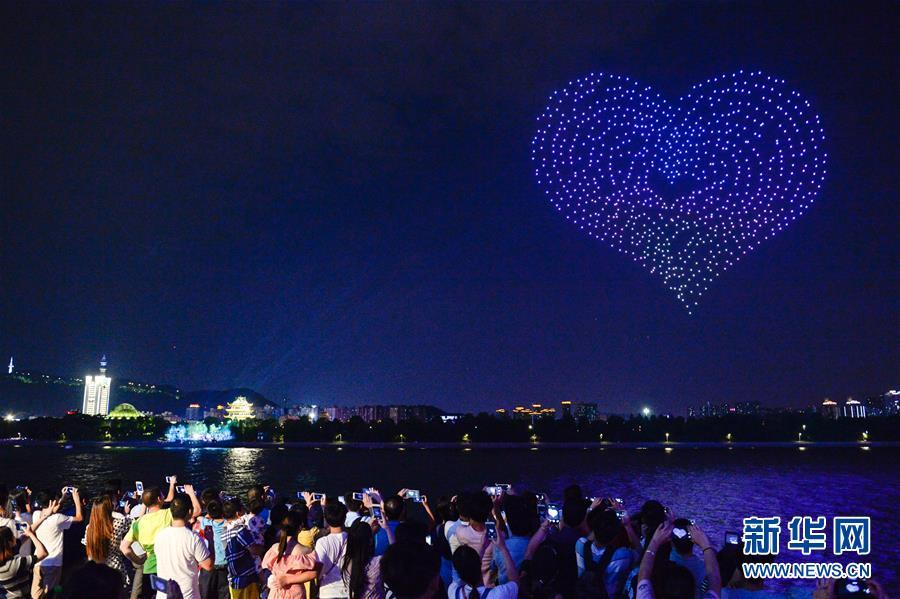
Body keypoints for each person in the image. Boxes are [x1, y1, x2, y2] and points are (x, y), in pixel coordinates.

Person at [121, 484, 201, 599]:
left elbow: (124, 547)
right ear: (159, 499)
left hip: (149, 571)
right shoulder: (168, 514)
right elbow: (196, 511)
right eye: (162, 495)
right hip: (169, 569)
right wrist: (191, 493)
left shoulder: (138, 522)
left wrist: (139, 560)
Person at [637, 522, 721, 599]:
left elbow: (643, 573)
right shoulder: (701, 568)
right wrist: (705, 545)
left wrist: (654, 542)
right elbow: (715, 580)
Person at [154, 495, 214, 599]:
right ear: (190, 512)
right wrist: (211, 540)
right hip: (187, 595)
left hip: (163, 593)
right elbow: (208, 565)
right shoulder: (193, 538)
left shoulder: (159, 535)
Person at [574, 506, 639, 598]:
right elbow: (640, 553)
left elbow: (589, 536)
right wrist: (627, 526)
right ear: (616, 535)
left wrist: (599, 518)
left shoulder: (580, 544)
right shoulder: (623, 555)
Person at [32, 488, 84, 599]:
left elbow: (51, 512)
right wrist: (76, 500)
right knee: (54, 591)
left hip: (38, 561)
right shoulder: (58, 519)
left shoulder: (36, 515)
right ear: (52, 502)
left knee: (36, 594)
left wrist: (63, 499)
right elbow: (79, 518)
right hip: (54, 563)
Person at [261, 511, 319, 599]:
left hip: (276, 592)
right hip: (296, 594)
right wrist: (288, 580)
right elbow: (314, 573)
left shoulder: (274, 549)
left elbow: (265, 570)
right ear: (300, 527)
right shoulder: (305, 551)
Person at [481, 494, 534, 585]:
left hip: (504, 587)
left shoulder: (500, 546)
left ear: (508, 523)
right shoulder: (537, 544)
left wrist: (496, 509)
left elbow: (492, 566)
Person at [448, 534, 519, 599]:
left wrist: (482, 547)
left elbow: (462, 569)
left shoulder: (453, 592)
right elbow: (515, 583)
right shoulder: (500, 594)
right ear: (480, 564)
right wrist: (503, 548)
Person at [86, 495, 133, 588]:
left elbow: (89, 552)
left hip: (96, 570)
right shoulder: (118, 523)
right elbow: (135, 524)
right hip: (114, 567)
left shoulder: (89, 528)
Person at [223, 498, 264, 599]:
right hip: (246, 578)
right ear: (238, 513)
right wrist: (263, 548)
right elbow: (254, 550)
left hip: (233, 579)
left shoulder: (224, 531)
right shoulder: (240, 530)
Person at [341, 518, 389, 599]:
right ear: (370, 540)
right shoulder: (378, 562)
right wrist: (387, 528)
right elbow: (395, 552)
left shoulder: (345, 562)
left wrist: (367, 531)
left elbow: (356, 540)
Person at [0, 523, 49, 598]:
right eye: (13, 535)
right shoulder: (14, 564)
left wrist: (42, 519)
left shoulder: (6, 556)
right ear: (9, 543)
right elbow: (43, 553)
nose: (15, 536)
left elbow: (24, 537)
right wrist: (31, 535)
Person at [314, 501, 350, 599]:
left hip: (328, 591)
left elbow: (318, 569)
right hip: (348, 592)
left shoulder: (323, 542)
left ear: (326, 520)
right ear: (344, 518)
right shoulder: (354, 540)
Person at [199, 499, 230, 599]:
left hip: (211, 563)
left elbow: (200, 518)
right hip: (225, 564)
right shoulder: (228, 524)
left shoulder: (206, 523)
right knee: (224, 592)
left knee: (208, 592)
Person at [669, 519, 708, 598]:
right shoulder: (703, 569)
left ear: (671, 542)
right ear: (694, 541)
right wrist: (706, 546)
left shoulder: (664, 560)